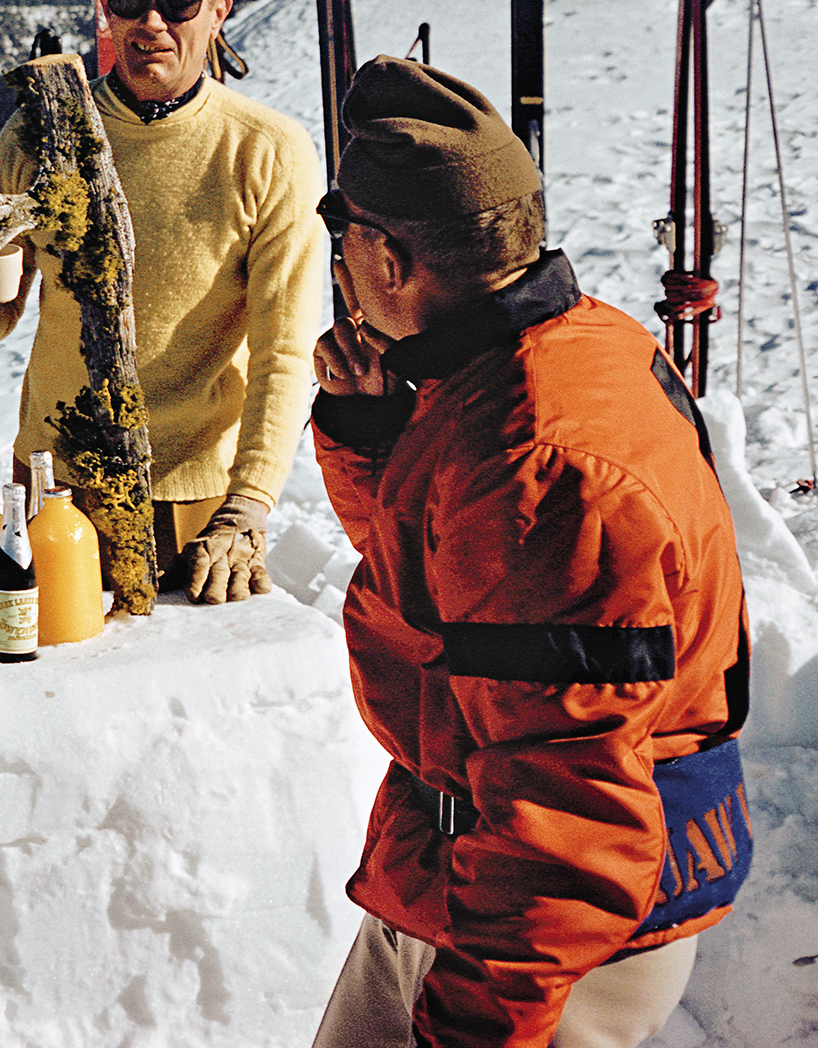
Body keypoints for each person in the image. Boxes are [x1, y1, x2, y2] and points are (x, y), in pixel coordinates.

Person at [307, 58, 750, 1048]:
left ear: (386, 259)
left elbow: (571, 825)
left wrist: (473, 1030)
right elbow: (454, 601)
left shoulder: (539, 469)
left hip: (537, 932)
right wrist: (373, 435)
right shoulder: (570, 352)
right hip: (479, 880)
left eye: (345, 250)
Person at [0, 0, 327, 601]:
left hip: (195, 506)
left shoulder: (266, 152)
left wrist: (247, 506)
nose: (152, 23)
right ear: (104, 2)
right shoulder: (37, 133)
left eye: (178, 0)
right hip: (52, 489)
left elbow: (284, 352)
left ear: (220, 10)